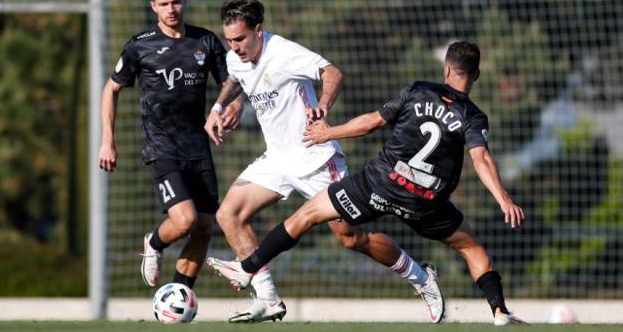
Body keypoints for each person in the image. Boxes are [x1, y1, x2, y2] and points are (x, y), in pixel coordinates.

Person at [207, 41, 528, 326]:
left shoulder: (418, 90)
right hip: (426, 201)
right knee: (471, 248)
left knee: (306, 216)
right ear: (477, 75)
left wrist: (328, 133)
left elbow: (372, 122)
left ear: (446, 68)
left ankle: (249, 266)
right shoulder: (473, 115)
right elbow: (480, 159)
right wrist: (503, 200)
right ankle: (499, 312)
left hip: (382, 183)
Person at [203, 0, 444, 324]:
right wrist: (221, 107)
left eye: (241, 39)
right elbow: (236, 77)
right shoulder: (236, 56)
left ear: (259, 30)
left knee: (351, 239)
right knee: (228, 214)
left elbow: (332, 73)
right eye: (229, 40)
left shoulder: (285, 53)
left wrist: (324, 106)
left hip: (316, 158)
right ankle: (268, 299)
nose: (235, 47)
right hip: (277, 159)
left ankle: (421, 278)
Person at [98, 0, 241, 292]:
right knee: (185, 220)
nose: (171, 9)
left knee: (204, 228)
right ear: (154, 7)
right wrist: (108, 140)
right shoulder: (140, 45)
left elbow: (232, 81)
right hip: (162, 149)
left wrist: (236, 105)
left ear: (184, 1)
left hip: (199, 148)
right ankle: (154, 241)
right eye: (164, 4)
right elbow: (111, 88)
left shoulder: (205, 41)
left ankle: (179, 292)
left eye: (176, 2)